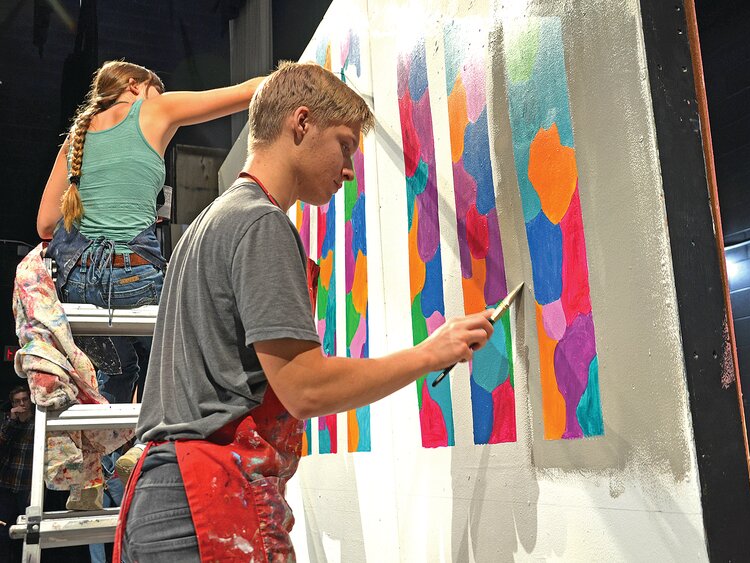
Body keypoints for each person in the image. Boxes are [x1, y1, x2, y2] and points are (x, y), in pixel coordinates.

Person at [114, 61, 494, 562]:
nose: (349, 169)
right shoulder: (259, 224)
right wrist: (431, 353)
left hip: (158, 499)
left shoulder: (205, 225)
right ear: (301, 122)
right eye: (344, 145)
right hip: (206, 499)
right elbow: (305, 387)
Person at [36, 60, 265, 485]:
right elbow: (246, 91)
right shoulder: (153, 109)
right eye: (156, 91)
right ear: (136, 85)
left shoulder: (76, 138)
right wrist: (305, 79)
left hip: (77, 285)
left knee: (118, 373)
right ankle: (147, 441)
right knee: (188, 354)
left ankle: (93, 475)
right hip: (133, 276)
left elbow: (46, 224)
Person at [0, 386, 34, 563]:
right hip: (6, 483)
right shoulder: (9, 423)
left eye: (24, 400)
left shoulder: (37, 423)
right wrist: (13, 421)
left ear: (30, 400)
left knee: (26, 530)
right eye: (17, 401)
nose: (22, 404)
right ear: (12, 404)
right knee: (3, 529)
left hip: (26, 486)